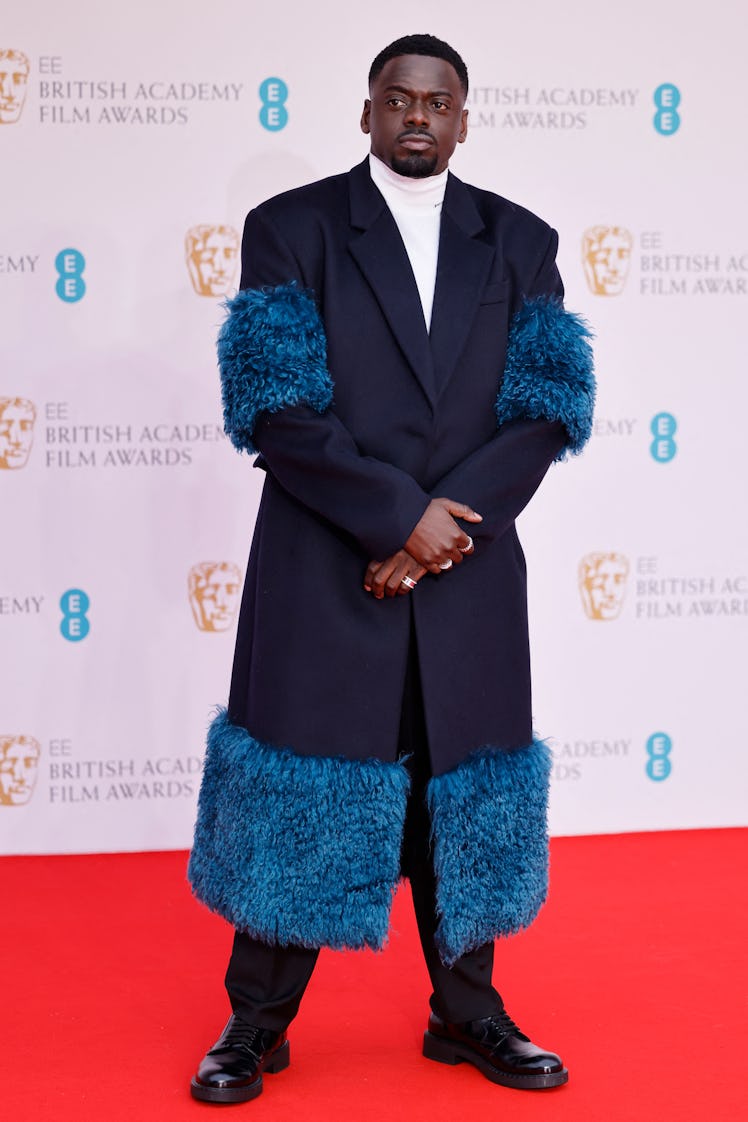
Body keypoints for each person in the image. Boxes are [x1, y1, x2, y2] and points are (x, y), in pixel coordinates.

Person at [188, 33, 594, 1104]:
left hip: (467, 572)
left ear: (464, 118)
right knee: (303, 795)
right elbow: (276, 410)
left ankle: (470, 1018)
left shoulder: (521, 240)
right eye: (399, 98)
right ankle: (253, 1028)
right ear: (368, 111)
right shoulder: (290, 228)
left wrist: (439, 535)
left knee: (462, 798)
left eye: (438, 101)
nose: (418, 115)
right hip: (326, 568)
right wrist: (393, 522)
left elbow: (546, 408)